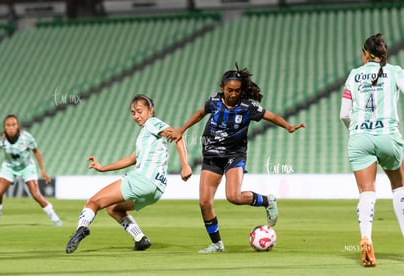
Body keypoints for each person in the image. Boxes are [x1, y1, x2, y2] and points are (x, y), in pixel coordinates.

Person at [169, 64, 305, 253]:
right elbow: (200, 113)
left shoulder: (248, 106)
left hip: (234, 155)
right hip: (212, 155)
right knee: (204, 203)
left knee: (233, 196)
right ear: (222, 87)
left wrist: (288, 126)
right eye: (229, 90)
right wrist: (181, 130)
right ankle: (217, 244)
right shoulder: (214, 101)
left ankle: (267, 201)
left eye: (237, 91)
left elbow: (270, 116)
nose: (233, 94)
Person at [65, 94, 192, 254]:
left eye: (139, 111)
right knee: (113, 208)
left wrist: (185, 165)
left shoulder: (152, 123)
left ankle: (81, 228)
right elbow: (132, 159)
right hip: (156, 190)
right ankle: (140, 239)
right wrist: (103, 168)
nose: (136, 116)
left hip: (142, 180)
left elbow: (177, 136)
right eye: (133, 113)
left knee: (94, 202)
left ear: (150, 110)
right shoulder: (146, 133)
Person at [340, 33, 404, 267]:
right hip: (387, 134)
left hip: (359, 137)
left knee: (367, 191)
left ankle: (366, 236)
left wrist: (355, 131)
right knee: (399, 186)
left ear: (365, 54)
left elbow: (344, 114)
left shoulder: (354, 75)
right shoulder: (396, 71)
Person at [0, 114, 62, 226]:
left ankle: (55, 218)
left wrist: (43, 170)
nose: (11, 127)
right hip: (9, 167)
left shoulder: (26, 137)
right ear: (4, 127)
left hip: (27, 166)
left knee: (35, 194)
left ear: (17, 126)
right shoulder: (1, 139)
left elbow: (36, 152)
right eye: (8, 125)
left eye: (13, 125)